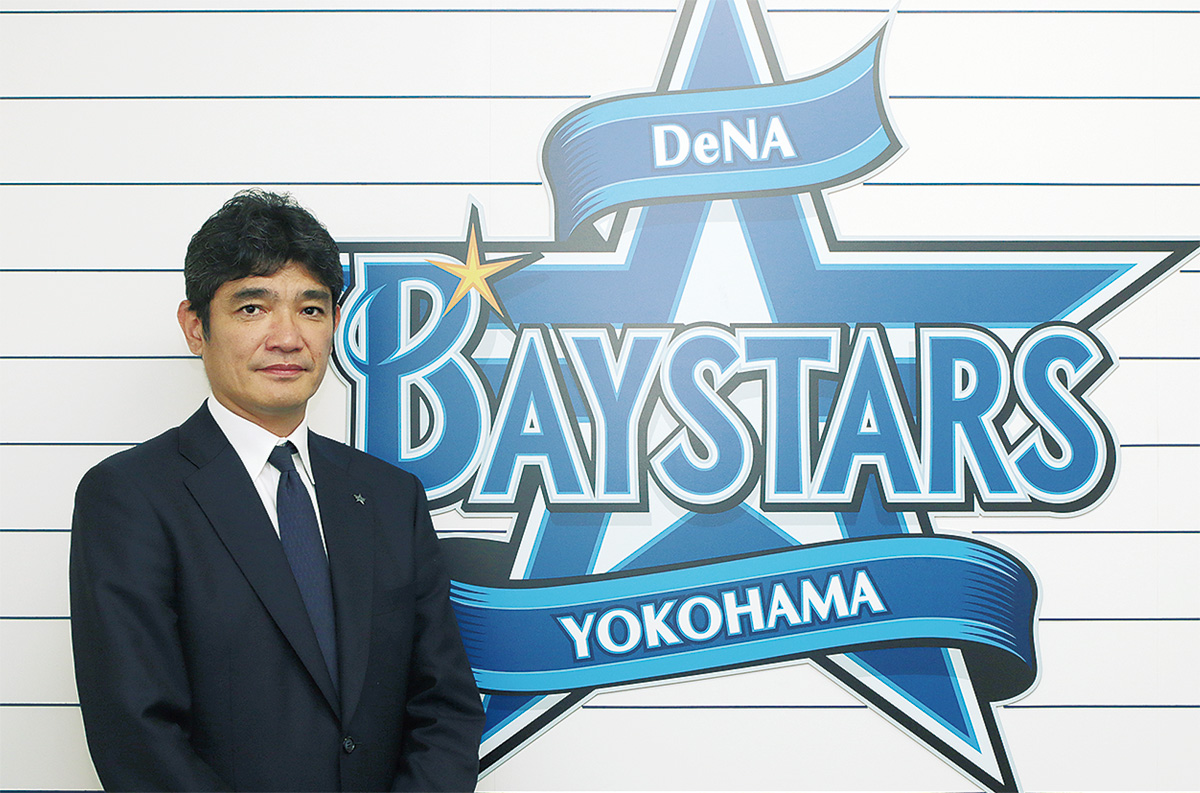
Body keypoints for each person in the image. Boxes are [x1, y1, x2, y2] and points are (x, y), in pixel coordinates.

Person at [69, 190, 485, 792]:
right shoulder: (131, 497)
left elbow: (444, 707)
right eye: (252, 308)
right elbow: (137, 735)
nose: (288, 338)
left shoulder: (390, 497)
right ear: (195, 326)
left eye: (311, 309)